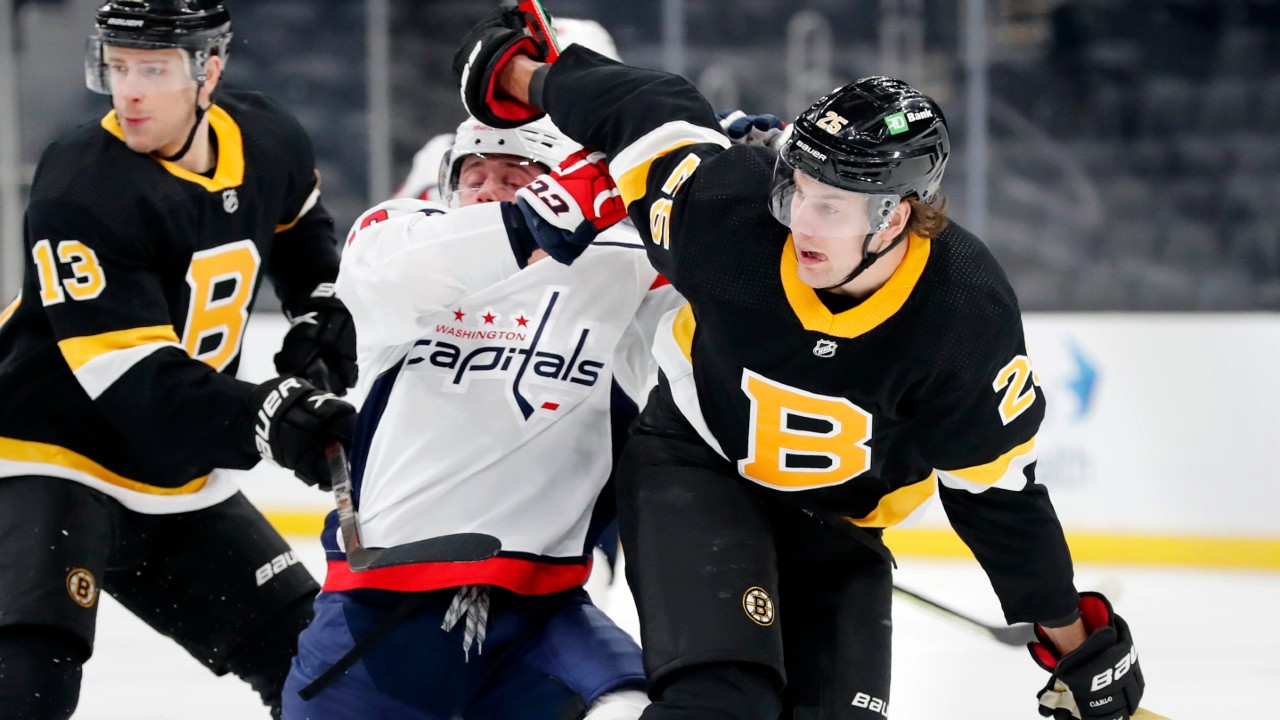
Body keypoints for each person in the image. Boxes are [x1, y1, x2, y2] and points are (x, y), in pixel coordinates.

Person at [452, 9, 1148, 720]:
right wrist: (523, 75)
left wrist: (1072, 643)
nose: (803, 223)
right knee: (722, 706)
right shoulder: (728, 215)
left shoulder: (963, 316)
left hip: (840, 527)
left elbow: (996, 495)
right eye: (798, 191)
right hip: (697, 469)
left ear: (896, 218)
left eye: (833, 206)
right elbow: (648, 111)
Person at [0, 1, 358, 718]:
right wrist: (271, 417)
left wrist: (324, 309)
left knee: (325, 678)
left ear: (209, 72)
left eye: (153, 69)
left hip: (178, 477)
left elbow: (299, 229)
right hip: (47, 455)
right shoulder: (82, 185)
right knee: (27, 687)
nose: (127, 90)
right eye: (118, 66)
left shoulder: (266, 139)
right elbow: (132, 381)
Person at [281, 115, 682, 720]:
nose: (489, 189)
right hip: (380, 616)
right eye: (474, 177)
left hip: (542, 616)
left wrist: (725, 179)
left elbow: (711, 319)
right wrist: (535, 213)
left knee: (632, 709)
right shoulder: (397, 234)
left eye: (514, 176)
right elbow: (400, 265)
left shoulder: (618, 272)